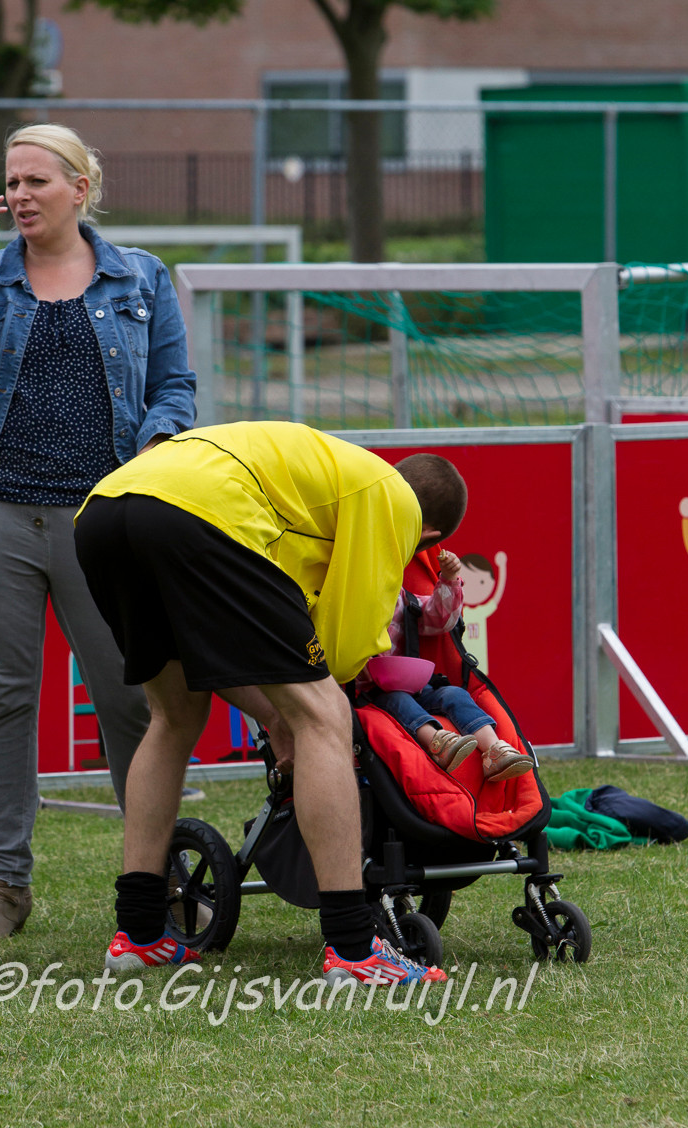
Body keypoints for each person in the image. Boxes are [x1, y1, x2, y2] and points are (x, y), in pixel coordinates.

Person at [0, 123, 196, 939]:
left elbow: (175, 387)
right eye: (12, 181)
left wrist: (155, 444)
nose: (20, 196)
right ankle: (4, 887)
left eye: (37, 180)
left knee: (129, 698)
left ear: (81, 187)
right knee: (4, 699)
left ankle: (154, 879)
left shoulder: (140, 276)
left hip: (102, 518)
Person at [74, 422, 467, 987]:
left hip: (105, 510)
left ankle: (138, 934)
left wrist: (275, 712)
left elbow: (225, 650)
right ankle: (355, 950)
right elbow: (345, 648)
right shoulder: (392, 499)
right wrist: (306, 711)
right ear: (428, 535)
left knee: (174, 716)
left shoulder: (324, 485)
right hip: (201, 511)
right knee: (327, 716)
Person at [358, 549, 534, 781]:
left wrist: (449, 579)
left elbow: (440, 617)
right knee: (398, 700)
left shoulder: (403, 600)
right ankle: (437, 743)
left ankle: (494, 751)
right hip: (372, 694)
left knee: (454, 693)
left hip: (414, 686)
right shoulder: (349, 609)